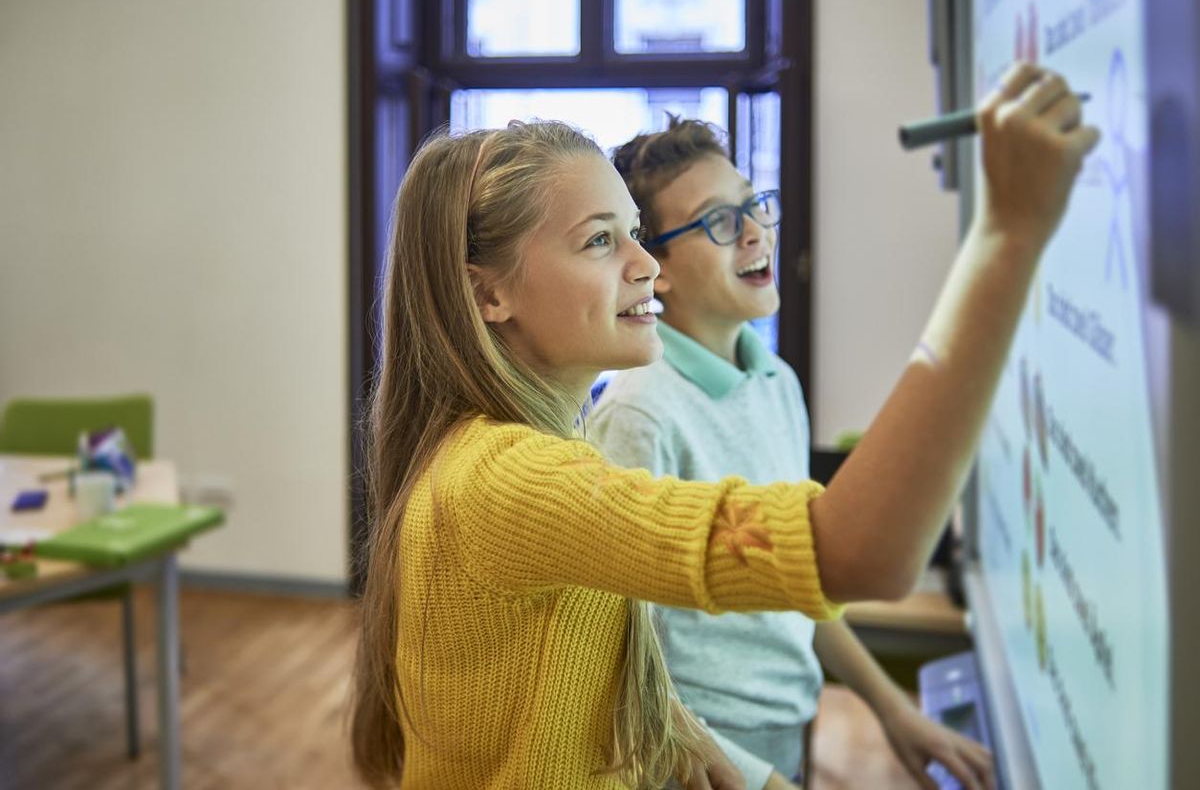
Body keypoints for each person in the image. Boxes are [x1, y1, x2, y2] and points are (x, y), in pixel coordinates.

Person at [350, 62, 1098, 790]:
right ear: (489, 297)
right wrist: (1007, 234)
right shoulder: (511, 477)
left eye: (635, 232)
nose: (646, 265)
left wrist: (704, 744)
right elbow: (861, 552)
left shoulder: (526, 453)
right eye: (599, 241)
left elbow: (584, 674)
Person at [591, 117, 990, 790]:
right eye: (719, 220)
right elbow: (623, 674)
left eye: (753, 205)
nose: (754, 232)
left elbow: (800, 582)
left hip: (787, 737)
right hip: (695, 764)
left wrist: (892, 710)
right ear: (653, 269)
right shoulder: (637, 416)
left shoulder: (776, 381)